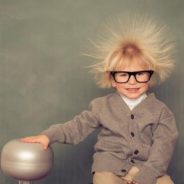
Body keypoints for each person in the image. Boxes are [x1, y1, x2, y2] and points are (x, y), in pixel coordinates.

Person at [21, 16, 178, 184]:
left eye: (139, 74)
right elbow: (75, 127)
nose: (132, 81)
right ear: (112, 80)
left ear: (150, 77)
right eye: (123, 75)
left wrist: (146, 176)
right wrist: (48, 136)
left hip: (148, 171)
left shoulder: (161, 111)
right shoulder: (101, 106)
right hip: (109, 170)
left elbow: (163, 148)